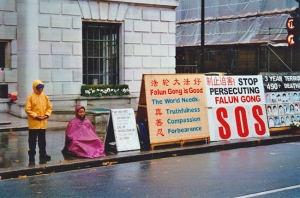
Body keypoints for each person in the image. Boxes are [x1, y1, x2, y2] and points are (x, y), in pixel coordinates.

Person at [25, 80, 52, 163]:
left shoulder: (45, 97)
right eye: (39, 88)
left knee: (42, 140)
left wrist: (46, 115)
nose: (41, 89)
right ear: (35, 88)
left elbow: (49, 108)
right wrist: (36, 116)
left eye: (42, 88)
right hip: (34, 123)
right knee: (32, 140)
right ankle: (32, 155)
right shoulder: (30, 97)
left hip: (43, 123)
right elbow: (27, 109)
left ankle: (43, 154)